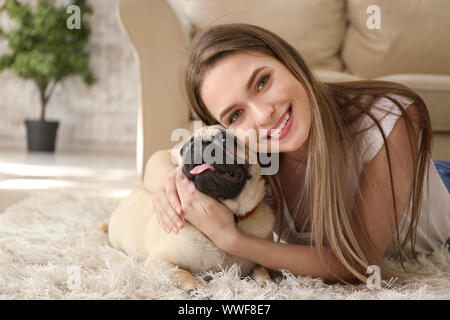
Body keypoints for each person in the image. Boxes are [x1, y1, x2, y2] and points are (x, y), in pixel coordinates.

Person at [144, 23, 450, 284]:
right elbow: (158, 161)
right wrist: (167, 185)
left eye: (262, 82)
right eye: (236, 115)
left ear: (290, 62)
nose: (263, 116)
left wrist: (233, 240)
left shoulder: (386, 119)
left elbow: (358, 264)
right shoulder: (245, 152)